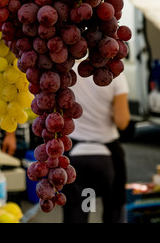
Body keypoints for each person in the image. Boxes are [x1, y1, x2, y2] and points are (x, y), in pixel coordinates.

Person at [62, 63, 131, 224]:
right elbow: (122, 122)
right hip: (107, 155)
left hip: (76, 154)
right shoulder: (114, 73)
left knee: (79, 211)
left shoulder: (68, 70)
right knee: (113, 211)